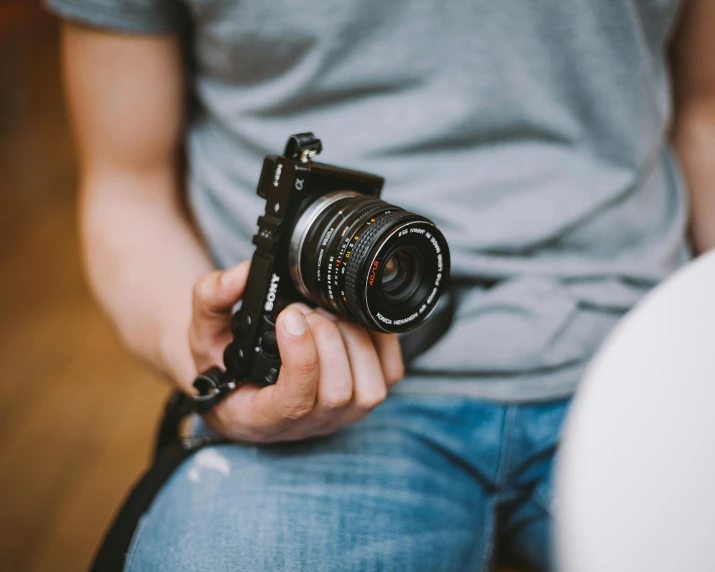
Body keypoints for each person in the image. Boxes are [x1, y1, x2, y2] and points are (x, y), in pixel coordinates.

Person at [45, 0, 715, 570]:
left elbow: (702, 118)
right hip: (300, 394)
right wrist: (214, 367)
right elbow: (127, 192)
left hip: (635, 353)